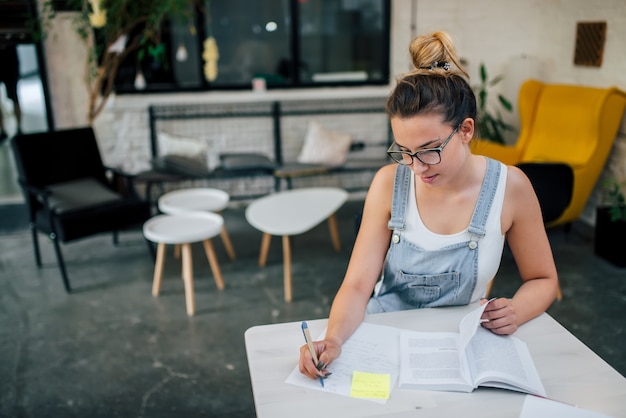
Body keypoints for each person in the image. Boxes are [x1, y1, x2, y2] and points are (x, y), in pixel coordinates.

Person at [298, 31, 559, 381]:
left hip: (458, 349)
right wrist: (333, 339)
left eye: (429, 150)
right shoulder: (389, 183)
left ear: (466, 130)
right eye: (404, 152)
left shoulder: (510, 188)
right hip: (381, 341)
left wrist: (517, 309)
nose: (416, 167)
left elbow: (544, 279)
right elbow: (359, 285)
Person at [0, 43, 22, 142]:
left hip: (10, 62)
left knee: (14, 97)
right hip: (10, 62)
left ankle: (19, 129)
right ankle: (3, 131)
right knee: (14, 97)